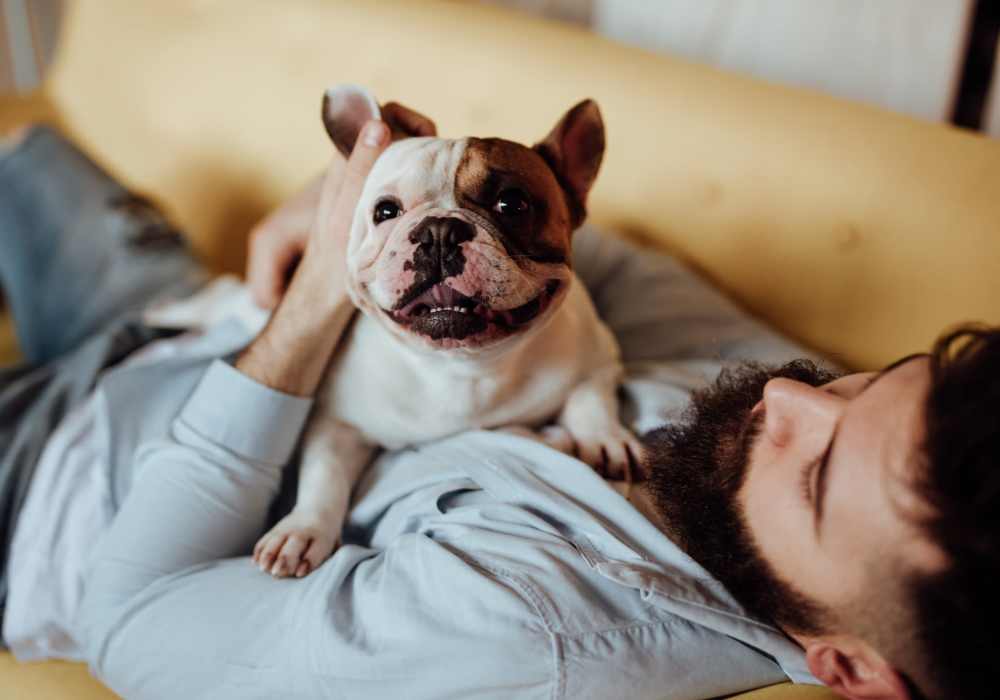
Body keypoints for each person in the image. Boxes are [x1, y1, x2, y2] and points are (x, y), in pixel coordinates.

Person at [0, 120, 993, 700]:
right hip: (188, 318)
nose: (785, 393)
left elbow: (128, 618)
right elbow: (582, 245)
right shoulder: (801, 416)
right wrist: (357, 203)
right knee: (26, 145)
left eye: (814, 475)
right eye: (858, 383)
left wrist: (318, 295)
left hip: (50, 487)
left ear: (847, 668)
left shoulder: (528, 626)